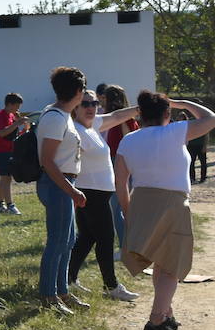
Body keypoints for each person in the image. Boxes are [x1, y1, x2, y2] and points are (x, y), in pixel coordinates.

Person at [115, 93, 215, 330]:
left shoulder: (128, 140)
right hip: (172, 202)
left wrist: (128, 212)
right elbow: (211, 119)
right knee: (171, 265)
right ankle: (156, 320)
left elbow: (120, 182)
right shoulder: (174, 132)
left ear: (140, 115)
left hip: (140, 200)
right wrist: (182, 103)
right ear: (167, 113)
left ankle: (166, 311)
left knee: (161, 262)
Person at [67, 90, 141, 302]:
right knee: (106, 239)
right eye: (85, 103)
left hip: (95, 193)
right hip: (90, 194)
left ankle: (69, 279)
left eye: (95, 103)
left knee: (87, 238)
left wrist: (139, 108)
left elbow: (116, 117)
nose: (91, 107)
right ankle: (111, 286)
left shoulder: (92, 125)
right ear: (75, 107)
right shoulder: (76, 130)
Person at [35, 66, 88, 315]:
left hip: (64, 182)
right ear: (78, 91)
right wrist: (72, 191)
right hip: (58, 183)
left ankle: (62, 291)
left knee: (67, 240)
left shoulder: (62, 115)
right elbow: (48, 160)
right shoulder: (56, 117)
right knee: (57, 241)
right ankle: (48, 294)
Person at [101, 85, 137, 248]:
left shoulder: (123, 118)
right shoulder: (119, 117)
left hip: (119, 161)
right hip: (115, 160)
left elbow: (128, 140)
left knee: (118, 208)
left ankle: (125, 247)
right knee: (118, 207)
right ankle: (128, 244)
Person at [0, 92, 28, 215]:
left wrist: (23, 125)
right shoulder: (0, 115)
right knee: (6, 178)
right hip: (1, 151)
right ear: (10, 104)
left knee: (5, 178)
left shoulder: (12, 116)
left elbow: (15, 133)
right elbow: (2, 133)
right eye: (17, 106)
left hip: (10, 150)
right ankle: (10, 205)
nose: (18, 109)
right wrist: (16, 123)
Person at [184, 110, 208, 183]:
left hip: (200, 144)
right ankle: (192, 178)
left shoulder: (203, 121)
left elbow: (207, 134)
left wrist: (205, 145)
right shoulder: (190, 121)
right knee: (191, 162)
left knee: (203, 162)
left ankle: (203, 178)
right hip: (191, 145)